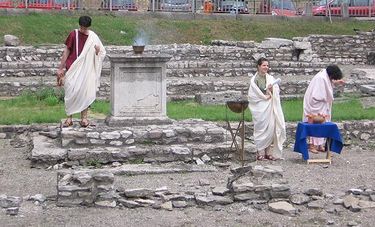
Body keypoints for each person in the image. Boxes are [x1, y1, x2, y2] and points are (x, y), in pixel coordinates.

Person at [57, 16, 106, 127]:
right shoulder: (73, 34)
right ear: (79, 26)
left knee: (85, 93)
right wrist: (61, 67)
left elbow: (102, 53)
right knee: (70, 92)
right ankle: (69, 118)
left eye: (86, 28)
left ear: (89, 27)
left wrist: (97, 52)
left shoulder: (93, 37)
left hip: (87, 70)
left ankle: (84, 119)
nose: (83, 30)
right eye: (82, 28)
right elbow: (67, 51)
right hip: (73, 68)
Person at [248, 57, 286, 161]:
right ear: (259, 66)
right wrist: (264, 96)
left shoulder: (270, 78)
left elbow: (275, 92)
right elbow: (252, 96)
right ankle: (260, 152)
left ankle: (268, 152)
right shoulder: (254, 80)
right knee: (261, 128)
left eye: (267, 65)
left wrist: (271, 89)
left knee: (271, 127)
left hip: (269, 106)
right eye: (264, 65)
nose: (266, 67)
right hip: (260, 107)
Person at [303, 65, 344, 153]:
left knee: (323, 124)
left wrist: (336, 83)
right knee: (316, 123)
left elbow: (328, 85)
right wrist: (327, 98)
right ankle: (312, 145)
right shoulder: (321, 78)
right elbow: (317, 94)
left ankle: (319, 145)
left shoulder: (325, 75)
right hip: (316, 104)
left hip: (322, 104)